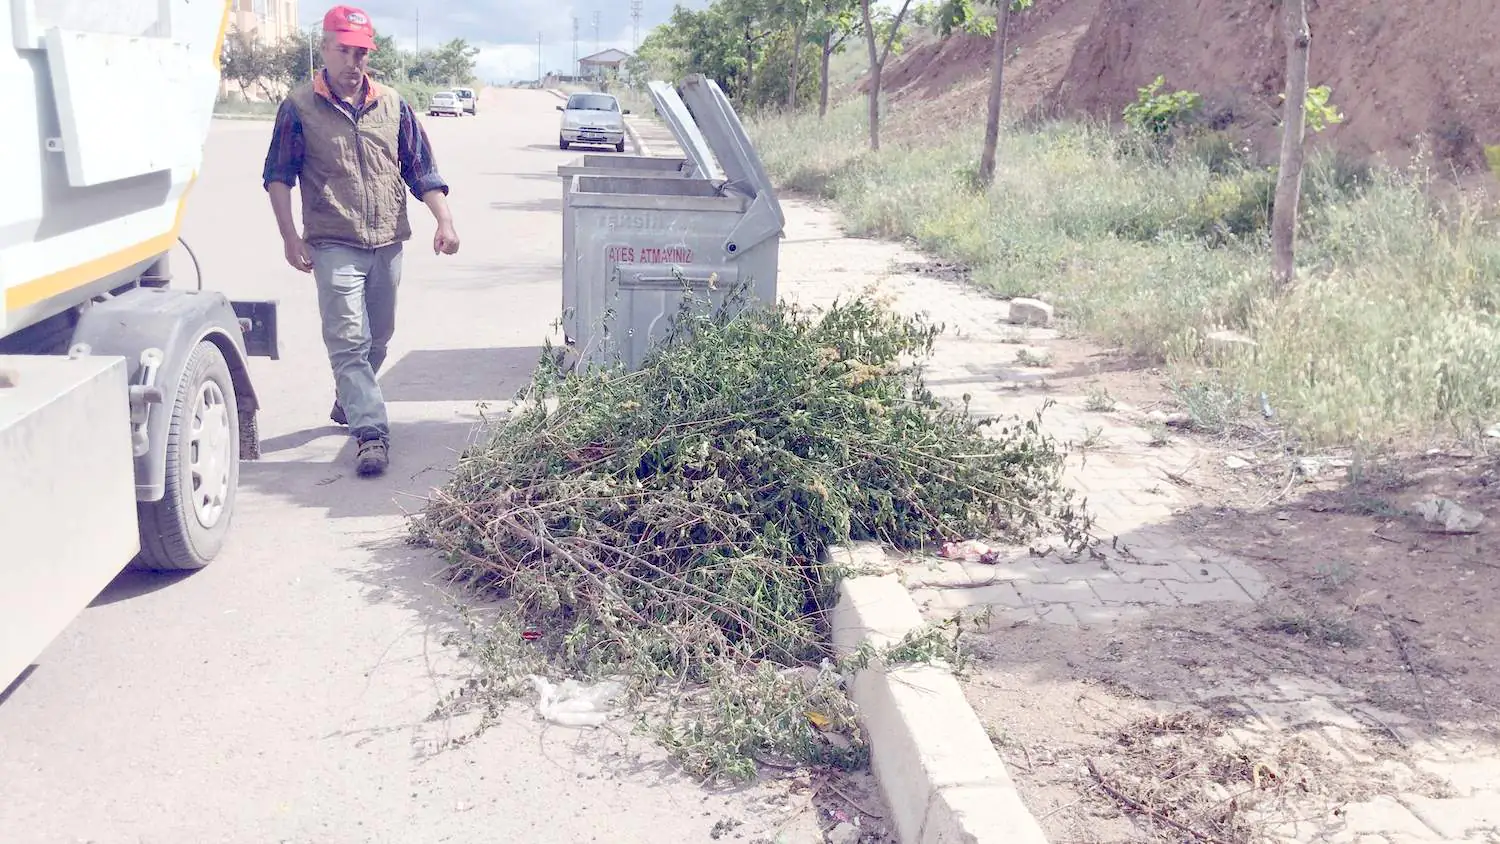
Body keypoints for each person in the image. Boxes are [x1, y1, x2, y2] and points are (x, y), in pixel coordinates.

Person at [261, 4, 460, 477]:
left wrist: (445, 222)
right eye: (346, 51)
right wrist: (290, 236)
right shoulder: (298, 107)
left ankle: (347, 397)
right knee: (349, 342)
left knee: (378, 338)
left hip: (388, 239)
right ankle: (371, 434)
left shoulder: (392, 104)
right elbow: (278, 176)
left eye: (362, 53)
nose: (355, 63)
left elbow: (421, 169)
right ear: (325, 48)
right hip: (332, 241)